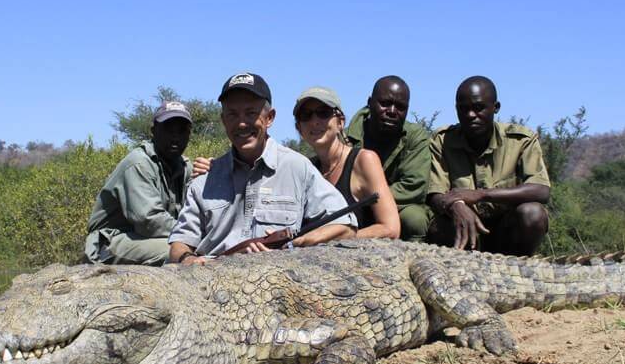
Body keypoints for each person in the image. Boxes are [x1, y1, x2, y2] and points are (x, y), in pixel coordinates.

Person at [168, 73, 356, 264]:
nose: (241, 123)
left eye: (251, 113)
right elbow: (178, 245)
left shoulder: (298, 168)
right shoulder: (205, 179)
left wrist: (299, 244)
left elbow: (345, 226)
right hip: (211, 284)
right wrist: (189, 260)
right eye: (233, 114)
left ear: (269, 118)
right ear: (224, 120)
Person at [426, 76, 550, 256]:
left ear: (496, 107)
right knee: (439, 225)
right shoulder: (442, 141)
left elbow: (541, 190)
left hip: (507, 231)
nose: (470, 115)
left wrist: (480, 195)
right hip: (464, 229)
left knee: (532, 213)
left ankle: (522, 269)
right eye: (463, 109)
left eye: (478, 108)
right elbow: (434, 194)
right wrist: (456, 206)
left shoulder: (520, 140)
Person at [84, 101, 194, 266]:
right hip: (112, 240)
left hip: (147, 238)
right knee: (179, 253)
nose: (175, 137)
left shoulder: (184, 166)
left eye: (181, 131)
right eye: (168, 130)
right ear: (153, 131)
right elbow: (149, 221)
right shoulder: (139, 163)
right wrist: (193, 235)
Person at [293, 86, 400, 238]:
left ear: (340, 122)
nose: (315, 121)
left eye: (324, 113)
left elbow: (391, 228)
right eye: (306, 115)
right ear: (299, 128)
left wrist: (335, 238)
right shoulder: (306, 169)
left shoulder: (364, 160)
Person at [345, 76, 432, 240]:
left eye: (400, 107)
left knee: (415, 219)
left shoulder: (416, 137)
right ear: (370, 102)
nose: (392, 111)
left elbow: (414, 184)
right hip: (353, 205)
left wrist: (372, 200)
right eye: (385, 103)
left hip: (393, 204)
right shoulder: (345, 138)